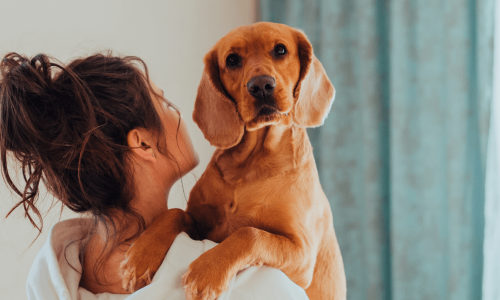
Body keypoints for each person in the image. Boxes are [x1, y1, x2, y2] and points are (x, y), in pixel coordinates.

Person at [0, 52, 309, 300]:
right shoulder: (247, 287)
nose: (179, 114)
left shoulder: (45, 282)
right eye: (165, 103)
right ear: (143, 143)